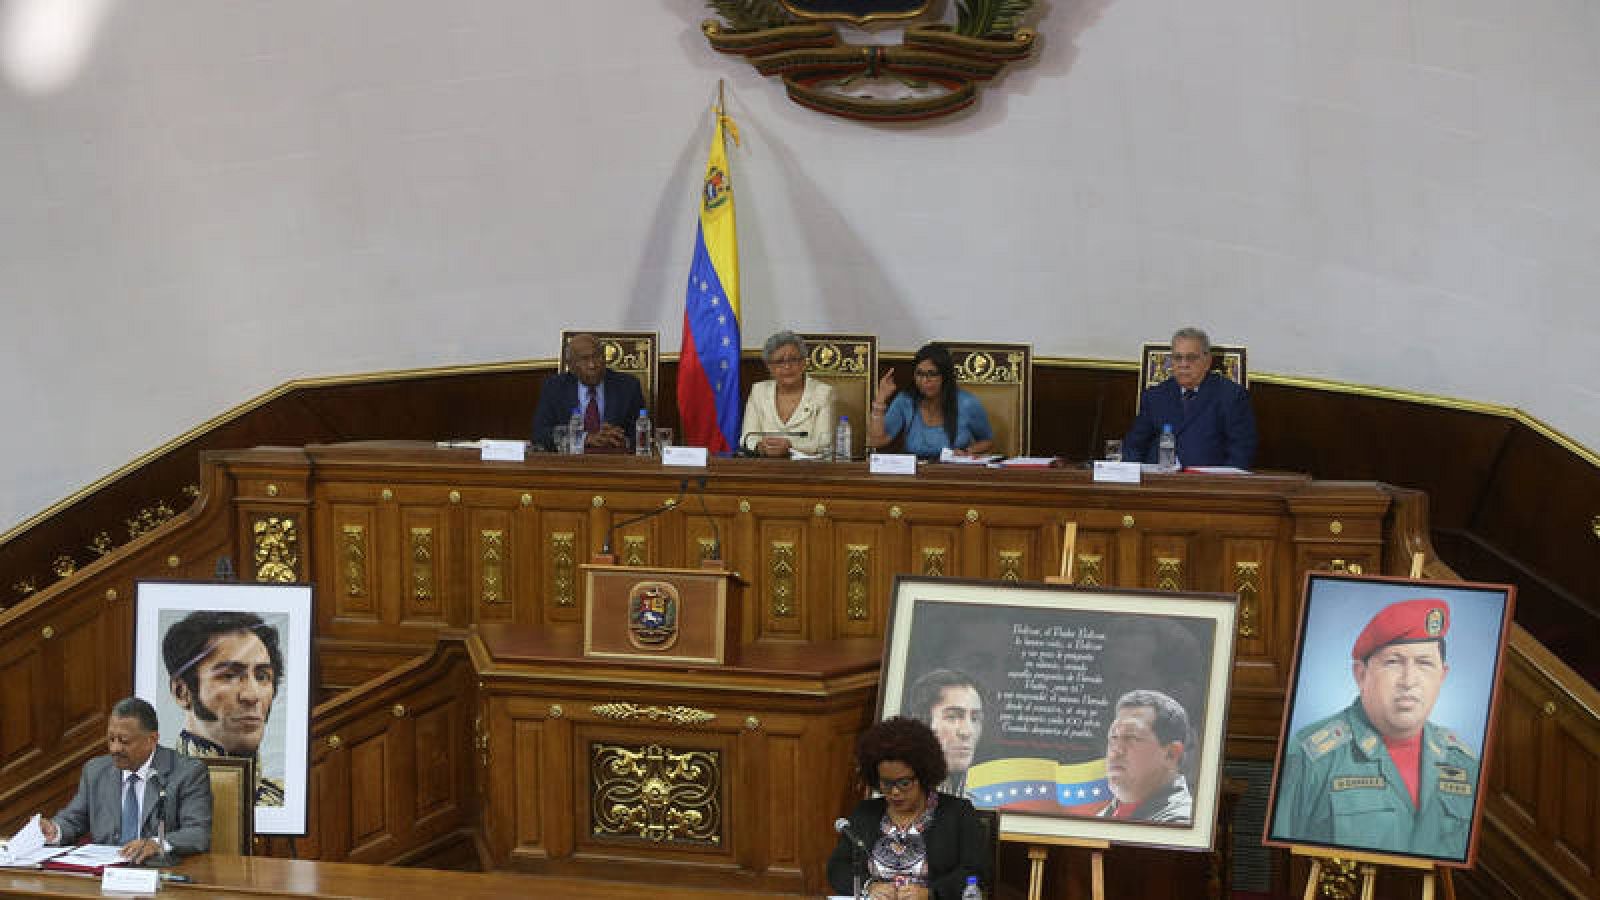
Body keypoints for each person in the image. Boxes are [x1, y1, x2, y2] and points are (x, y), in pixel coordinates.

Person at [1271, 598, 1477, 859]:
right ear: (1361, 674)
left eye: (1424, 663)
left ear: (1442, 676)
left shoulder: (1463, 762)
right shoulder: (1311, 757)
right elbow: (1285, 865)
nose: (1409, 681)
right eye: (1393, 662)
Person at [827, 717, 989, 900]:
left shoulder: (957, 813)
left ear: (923, 775)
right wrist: (869, 885)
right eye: (886, 784)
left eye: (904, 783)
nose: (895, 792)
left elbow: (975, 872)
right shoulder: (866, 812)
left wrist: (931, 893)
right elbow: (837, 867)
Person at [36, 697, 212, 863]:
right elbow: (74, 819)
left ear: (152, 740)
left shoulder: (187, 772)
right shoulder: (96, 771)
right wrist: (55, 830)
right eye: (111, 739)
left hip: (159, 873)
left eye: (124, 741)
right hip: (105, 873)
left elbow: (198, 833)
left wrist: (157, 843)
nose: (115, 748)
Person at [163, 610, 286, 806]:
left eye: (262, 676)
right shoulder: (159, 796)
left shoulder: (280, 798)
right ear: (182, 692)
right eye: (229, 675)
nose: (252, 695)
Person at [1122, 327, 1256, 469]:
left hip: (1208, 485)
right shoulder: (1155, 396)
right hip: (1158, 482)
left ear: (1207, 361)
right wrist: (1133, 475)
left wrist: (1221, 485)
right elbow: (1134, 446)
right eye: (1177, 358)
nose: (1183, 364)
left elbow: (1242, 451)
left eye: (1191, 358)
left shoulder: (1231, 396)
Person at [867, 344, 994, 459]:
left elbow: (987, 441)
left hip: (954, 472)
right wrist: (880, 399)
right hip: (915, 475)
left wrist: (967, 451)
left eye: (932, 374)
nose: (924, 380)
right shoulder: (905, 401)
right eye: (919, 374)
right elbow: (877, 441)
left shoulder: (967, 403)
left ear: (945, 376)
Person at [531, 332, 646, 452]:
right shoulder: (555, 387)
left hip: (614, 460)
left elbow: (642, 432)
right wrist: (585, 438)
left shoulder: (628, 386)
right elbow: (540, 434)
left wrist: (623, 440)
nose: (592, 365)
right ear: (571, 365)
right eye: (584, 359)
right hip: (569, 462)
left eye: (597, 356)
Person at [1097, 690, 1193, 824]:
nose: (1115, 751)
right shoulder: (1101, 817)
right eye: (1113, 737)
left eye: (1131, 737)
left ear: (1171, 754)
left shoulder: (1180, 823)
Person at [738, 330, 837, 457]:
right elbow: (747, 438)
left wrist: (790, 446)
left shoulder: (823, 393)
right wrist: (760, 447)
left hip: (810, 470)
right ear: (769, 367)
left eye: (793, 360)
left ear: (803, 363)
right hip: (765, 467)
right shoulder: (758, 391)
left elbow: (825, 442)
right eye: (779, 361)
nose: (787, 366)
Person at [905, 669, 984, 800]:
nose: (967, 732)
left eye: (975, 719)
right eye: (952, 717)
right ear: (923, 723)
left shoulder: (986, 797)